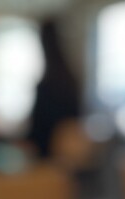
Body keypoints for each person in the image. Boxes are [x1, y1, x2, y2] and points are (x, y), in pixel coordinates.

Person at [26, 18, 83, 159]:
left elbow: (37, 131)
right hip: (70, 159)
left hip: (48, 157)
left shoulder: (46, 86)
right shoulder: (72, 80)